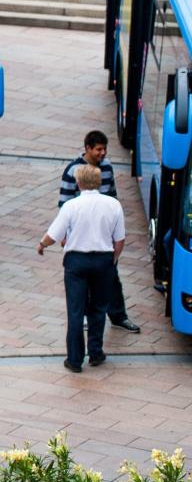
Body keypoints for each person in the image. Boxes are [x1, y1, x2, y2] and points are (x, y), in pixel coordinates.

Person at [39, 163, 126, 372]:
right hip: (103, 262)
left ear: (78, 183)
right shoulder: (114, 205)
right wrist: (112, 260)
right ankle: (96, 353)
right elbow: (120, 239)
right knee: (98, 308)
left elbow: (55, 234)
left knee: (76, 311)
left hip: (76, 262)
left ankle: (75, 360)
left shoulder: (71, 206)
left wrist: (42, 244)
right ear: (99, 182)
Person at [58, 132, 139, 333]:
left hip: (103, 234)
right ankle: (86, 316)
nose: (102, 153)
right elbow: (64, 204)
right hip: (82, 236)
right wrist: (65, 234)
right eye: (98, 149)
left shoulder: (107, 167)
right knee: (84, 281)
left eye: (104, 149)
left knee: (111, 276)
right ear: (87, 148)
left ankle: (118, 315)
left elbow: (112, 196)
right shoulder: (73, 171)